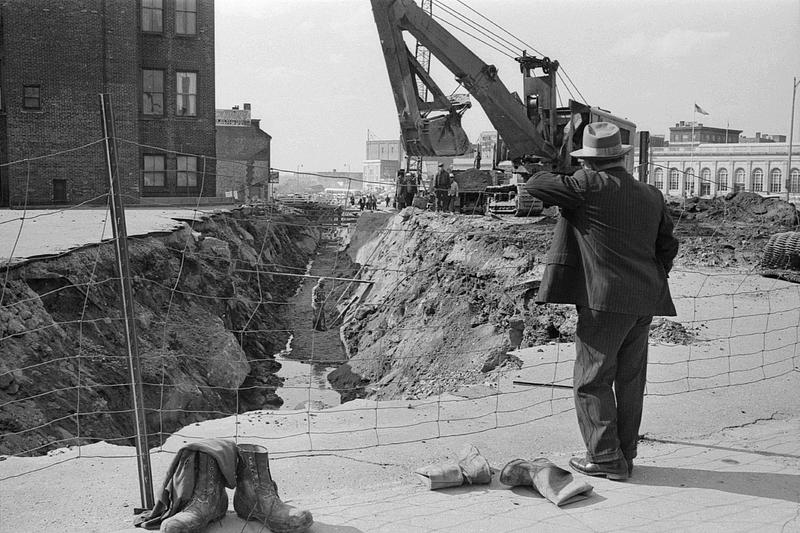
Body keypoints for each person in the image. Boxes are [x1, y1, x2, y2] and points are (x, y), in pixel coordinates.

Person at [524, 122, 679, 481]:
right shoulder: (650, 194)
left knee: (591, 380)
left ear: (590, 160)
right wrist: (650, 277)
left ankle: (605, 459)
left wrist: (573, 172)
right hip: (644, 300)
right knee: (629, 380)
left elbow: (535, 184)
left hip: (605, 303)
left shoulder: (586, 186)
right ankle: (624, 455)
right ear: (619, 157)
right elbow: (667, 246)